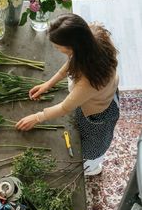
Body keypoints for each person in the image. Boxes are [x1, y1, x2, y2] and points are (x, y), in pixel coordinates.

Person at [15, 13, 119, 176]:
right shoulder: (92, 36)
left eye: (58, 47)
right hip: (102, 93)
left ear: (73, 46)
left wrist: (36, 117)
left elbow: (65, 107)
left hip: (98, 113)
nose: (56, 49)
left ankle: (93, 168)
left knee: (92, 148)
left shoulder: (89, 80)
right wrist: (48, 84)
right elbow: (72, 62)